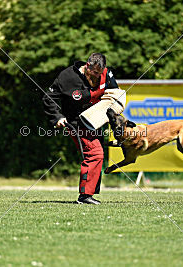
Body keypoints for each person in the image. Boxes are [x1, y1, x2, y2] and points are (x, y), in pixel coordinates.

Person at [42, 53, 119, 204]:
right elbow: (49, 97)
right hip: (76, 122)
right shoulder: (67, 77)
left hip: (97, 121)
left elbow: (116, 93)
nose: (98, 76)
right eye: (95, 72)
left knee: (98, 155)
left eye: (100, 72)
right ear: (87, 66)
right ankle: (85, 196)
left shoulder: (107, 74)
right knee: (95, 153)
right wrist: (57, 117)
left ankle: (89, 193)